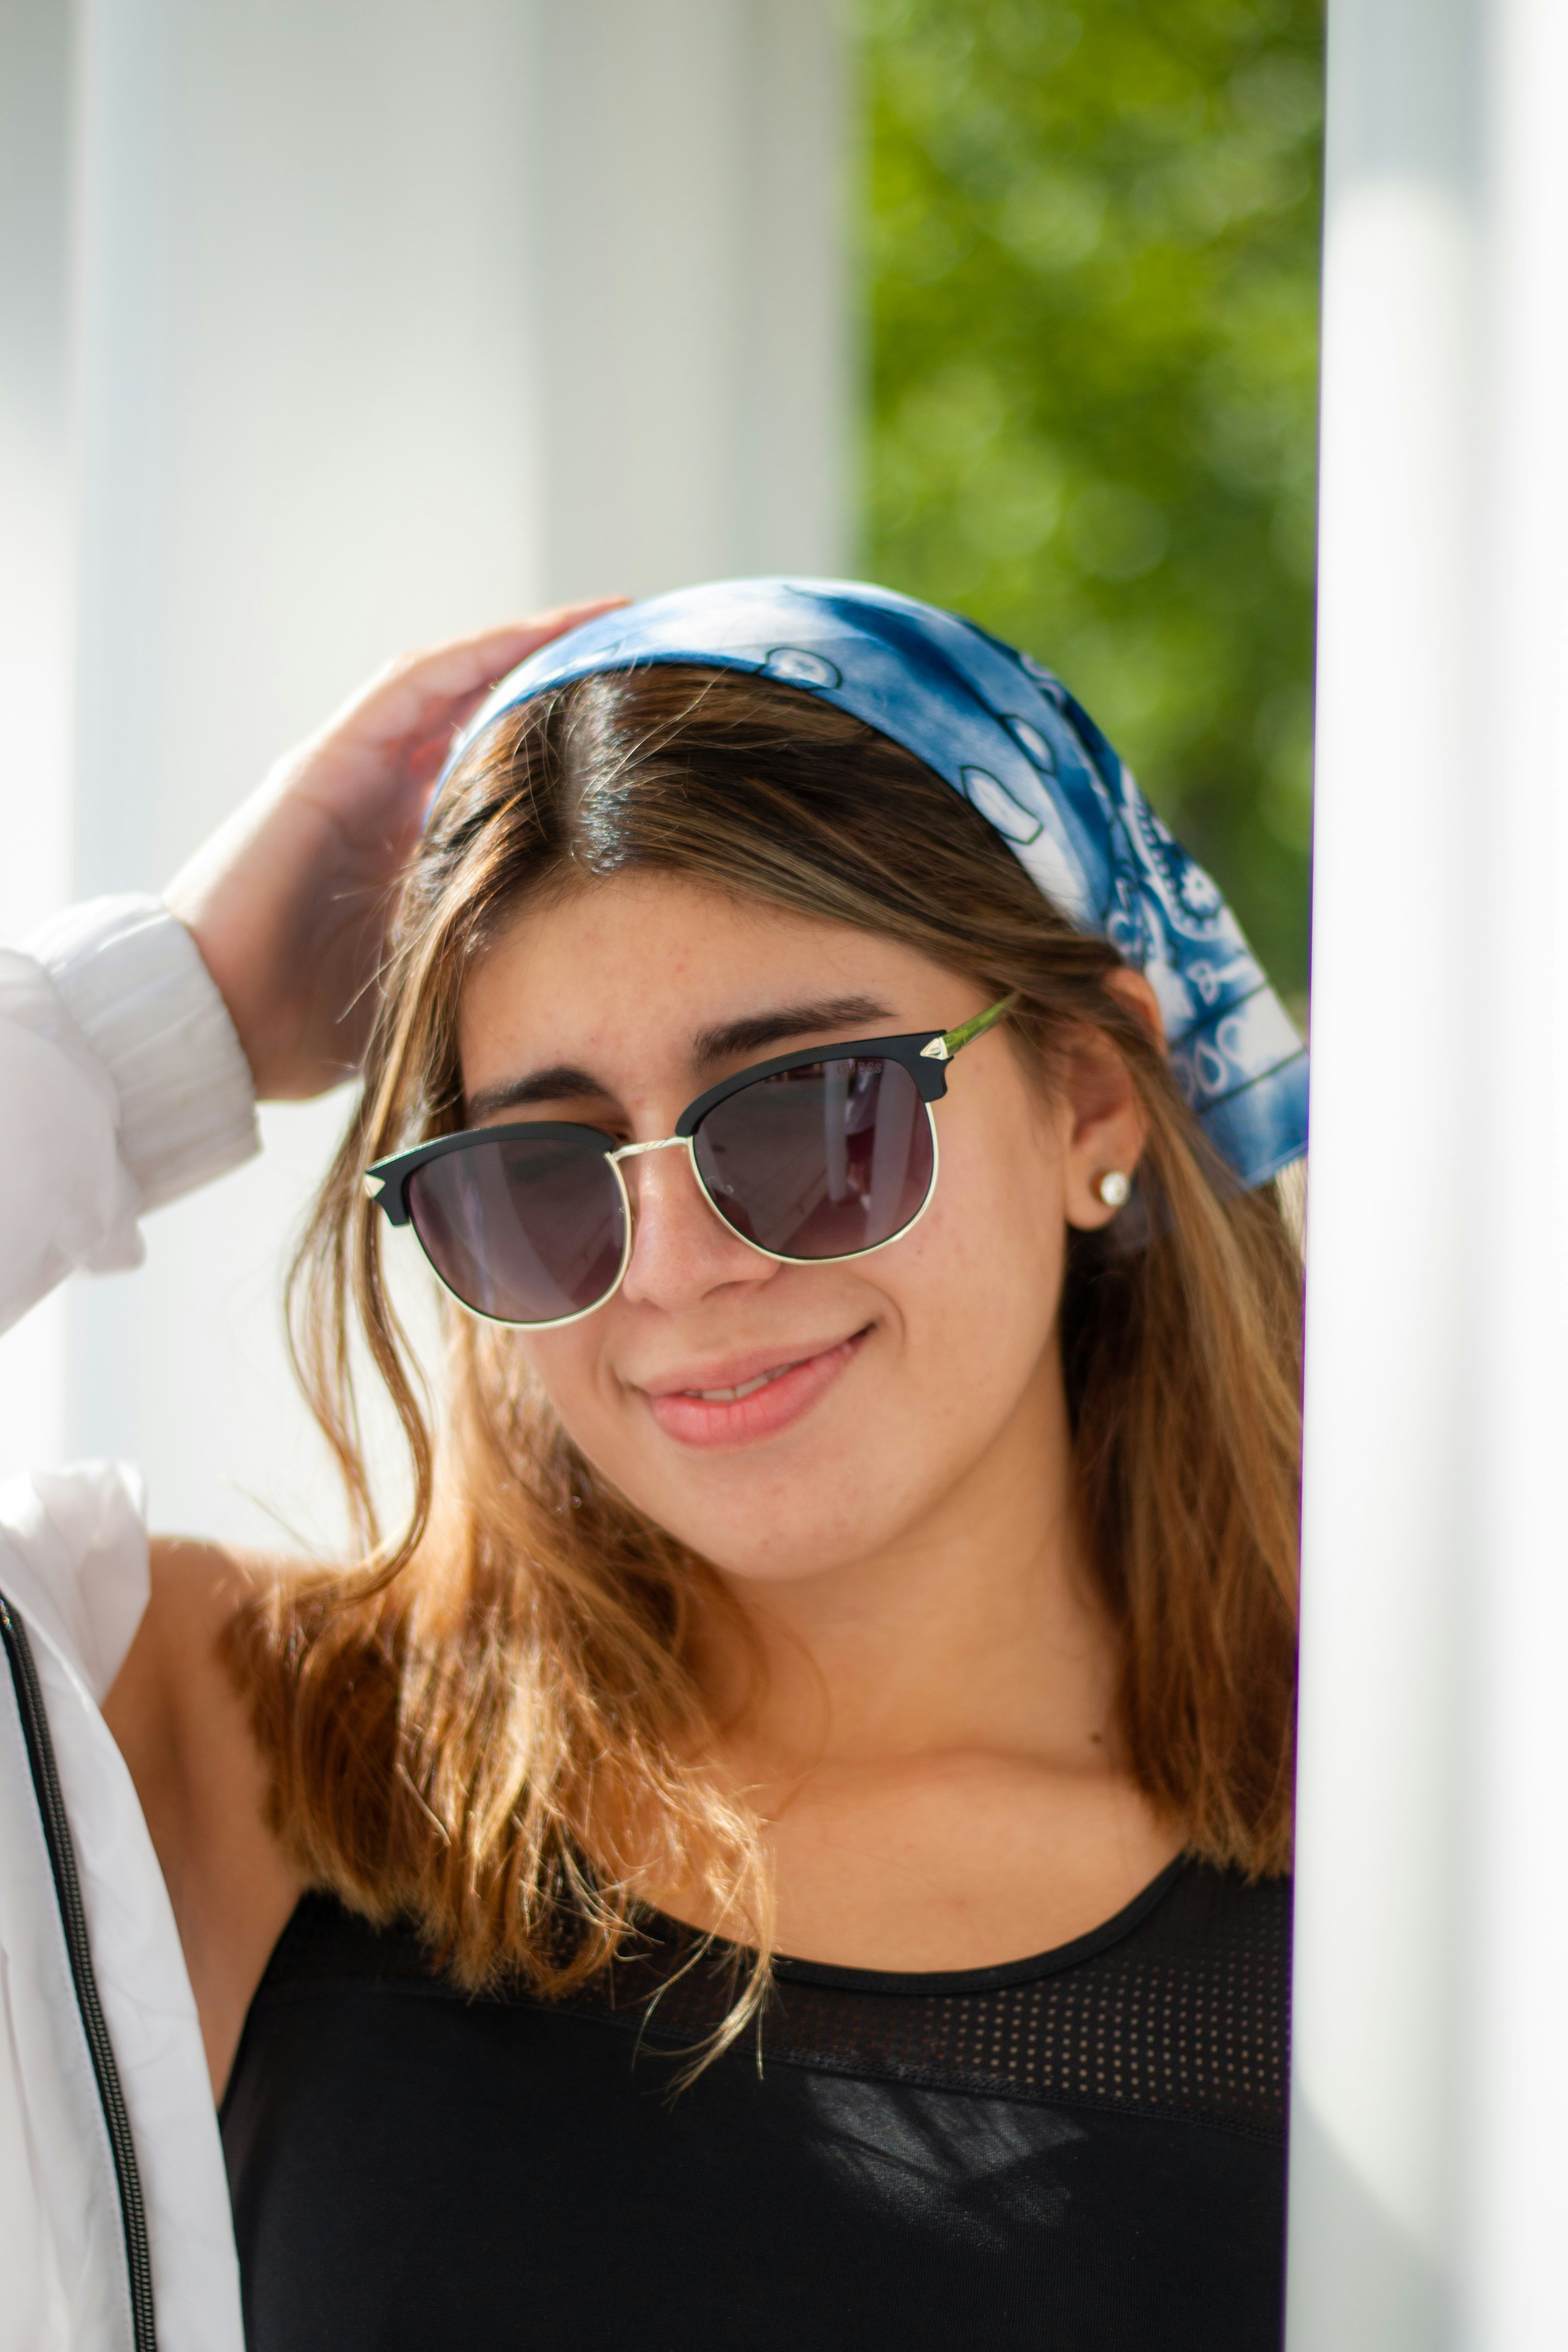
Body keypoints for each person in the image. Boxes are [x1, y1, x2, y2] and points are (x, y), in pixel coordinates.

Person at [0, 579, 1306, 2352]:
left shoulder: (1422, 1877)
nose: (679, 1266)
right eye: (539, 1176)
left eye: (809, 1112)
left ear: (1091, 1093)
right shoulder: (246, 1758)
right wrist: (163, 1023)